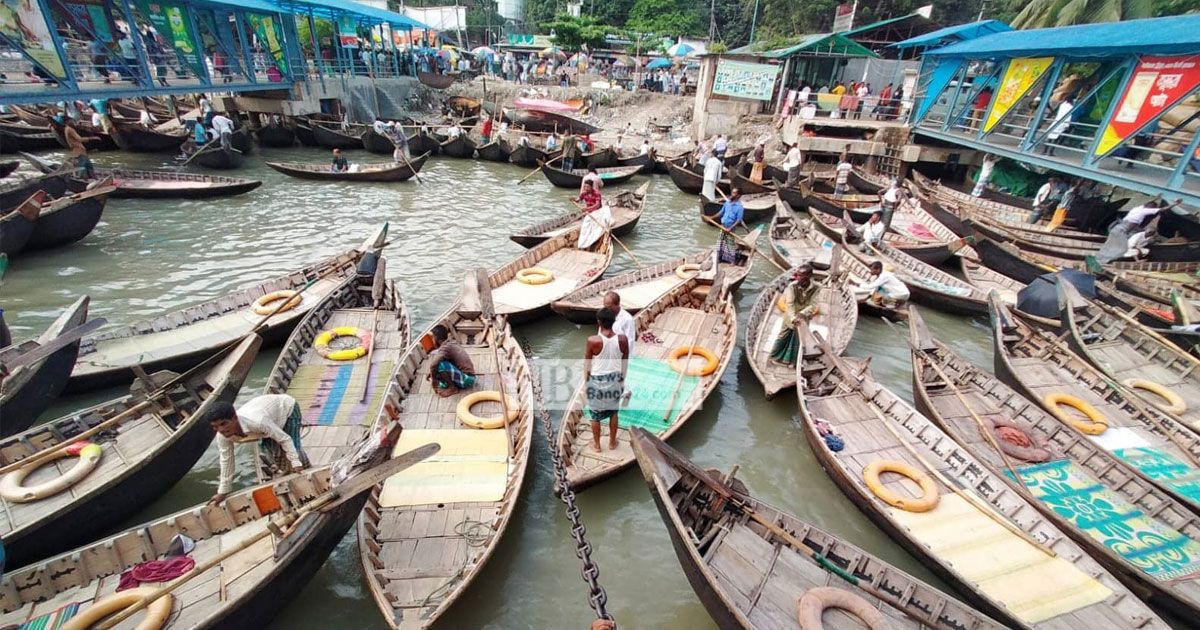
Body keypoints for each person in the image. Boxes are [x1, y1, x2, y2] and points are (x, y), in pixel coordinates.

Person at [206, 395, 310, 504]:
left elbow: (285, 439)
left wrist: (296, 463)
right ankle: (290, 474)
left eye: (224, 424)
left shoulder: (257, 422)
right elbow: (226, 460)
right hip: (267, 420)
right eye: (215, 427)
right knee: (275, 454)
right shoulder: (222, 436)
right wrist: (223, 491)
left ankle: (306, 474)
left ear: (234, 418)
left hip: (287, 409)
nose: (221, 430)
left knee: (295, 452)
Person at [583, 307, 629, 452]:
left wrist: (586, 382)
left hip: (596, 381)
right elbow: (624, 362)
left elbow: (587, 363)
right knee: (613, 412)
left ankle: (596, 445)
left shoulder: (592, 341)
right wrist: (622, 380)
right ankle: (612, 442)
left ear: (599, 322)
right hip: (615, 379)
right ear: (614, 320)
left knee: (595, 415)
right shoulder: (623, 339)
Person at [769, 263, 821, 367]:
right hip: (790, 315)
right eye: (797, 275)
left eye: (800, 275)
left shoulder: (816, 287)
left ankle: (792, 362)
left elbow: (814, 304)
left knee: (799, 339)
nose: (797, 277)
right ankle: (774, 357)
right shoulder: (792, 286)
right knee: (783, 336)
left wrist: (802, 313)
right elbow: (790, 304)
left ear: (808, 277)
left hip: (804, 316)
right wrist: (793, 317)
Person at [427, 324, 476, 397]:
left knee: (440, 365)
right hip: (467, 377)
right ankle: (450, 384)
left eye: (433, 338)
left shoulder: (446, 347)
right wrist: (431, 373)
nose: (432, 340)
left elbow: (433, 365)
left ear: (436, 338)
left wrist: (434, 380)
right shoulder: (451, 342)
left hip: (467, 379)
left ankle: (452, 388)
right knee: (437, 368)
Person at [717, 188, 747, 263]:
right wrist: (710, 217)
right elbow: (720, 213)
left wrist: (730, 228)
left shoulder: (739, 207)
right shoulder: (727, 203)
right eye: (732, 192)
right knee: (720, 242)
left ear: (738, 196)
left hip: (730, 227)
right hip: (723, 226)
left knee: (730, 244)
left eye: (734, 193)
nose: (732, 194)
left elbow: (738, 220)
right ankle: (720, 258)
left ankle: (732, 261)